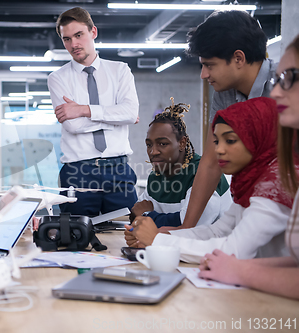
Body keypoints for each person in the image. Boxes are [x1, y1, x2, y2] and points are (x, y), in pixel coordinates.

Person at [126, 97, 295, 263]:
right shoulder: (250, 184)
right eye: (216, 141)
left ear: (258, 138)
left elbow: (233, 250)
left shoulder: (276, 187)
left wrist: (157, 239)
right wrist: (159, 236)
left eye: (229, 140)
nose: (219, 150)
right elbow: (216, 232)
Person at [198, 35, 299, 300]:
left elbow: (232, 247)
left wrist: (241, 271)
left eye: (289, 78)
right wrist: (238, 268)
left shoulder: (278, 181)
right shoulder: (256, 183)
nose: (275, 93)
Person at [181, 10, 277, 230]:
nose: (203, 75)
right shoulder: (224, 95)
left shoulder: (285, 86)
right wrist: (185, 230)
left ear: (238, 58)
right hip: (255, 204)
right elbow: (210, 161)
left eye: (209, 65)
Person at [47, 7, 140, 216]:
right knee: (75, 238)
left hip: (118, 169)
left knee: (128, 234)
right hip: (78, 172)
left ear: (93, 32)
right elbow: (73, 125)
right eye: (67, 39)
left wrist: (83, 110)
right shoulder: (57, 78)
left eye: (78, 35)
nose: (73, 44)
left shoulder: (120, 70)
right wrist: (117, 118)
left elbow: (130, 112)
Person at [129, 98, 231, 228]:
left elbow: (189, 225)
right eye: (149, 145)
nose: (153, 151)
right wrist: (144, 216)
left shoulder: (203, 172)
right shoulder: (156, 177)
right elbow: (135, 214)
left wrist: (147, 215)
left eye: (162, 144)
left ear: (182, 143)